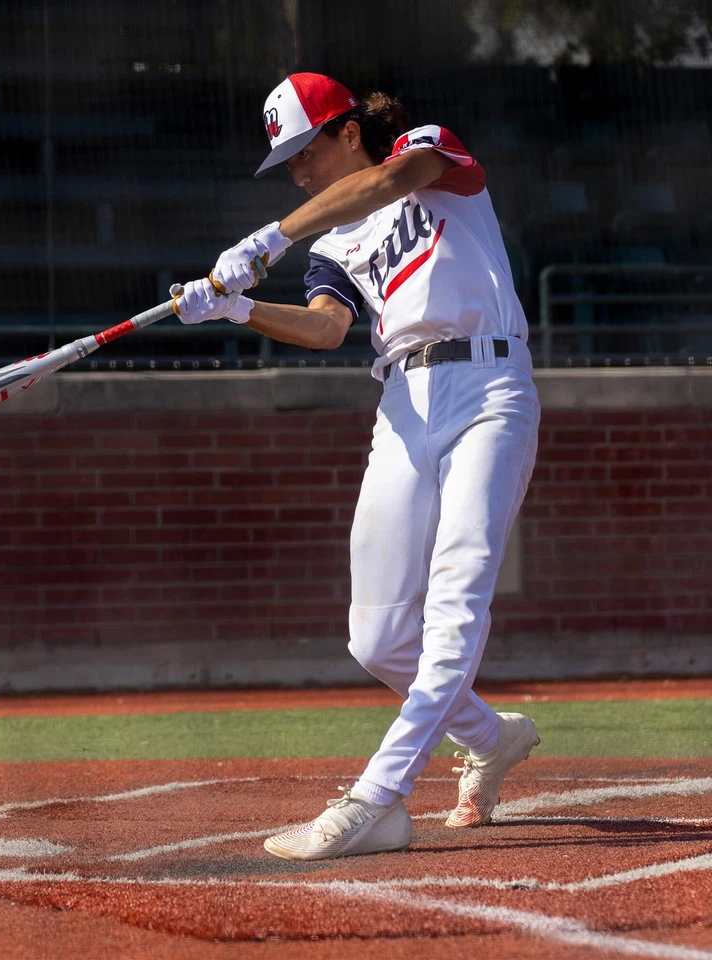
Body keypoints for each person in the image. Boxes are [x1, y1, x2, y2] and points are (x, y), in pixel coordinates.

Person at [171, 73, 541, 861]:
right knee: (376, 640)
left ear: (347, 132)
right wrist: (237, 308)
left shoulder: (422, 149)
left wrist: (268, 240)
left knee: (454, 605)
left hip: (488, 385)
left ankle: (379, 797)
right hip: (403, 399)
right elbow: (324, 328)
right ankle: (492, 736)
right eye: (288, 163)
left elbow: (390, 180)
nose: (298, 172)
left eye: (305, 153)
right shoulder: (333, 244)